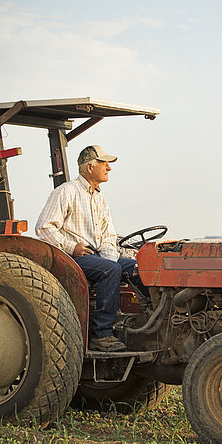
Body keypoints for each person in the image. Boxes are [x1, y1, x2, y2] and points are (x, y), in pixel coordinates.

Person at [35, 144, 147, 352]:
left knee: (137, 267)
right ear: (89, 167)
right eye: (104, 164)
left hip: (96, 256)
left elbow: (108, 235)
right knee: (110, 270)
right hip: (73, 258)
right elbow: (43, 228)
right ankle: (102, 333)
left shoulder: (99, 197)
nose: (109, 168)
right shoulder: (66, 192)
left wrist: (110, 257)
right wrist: (72, 247)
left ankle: (151, 319)